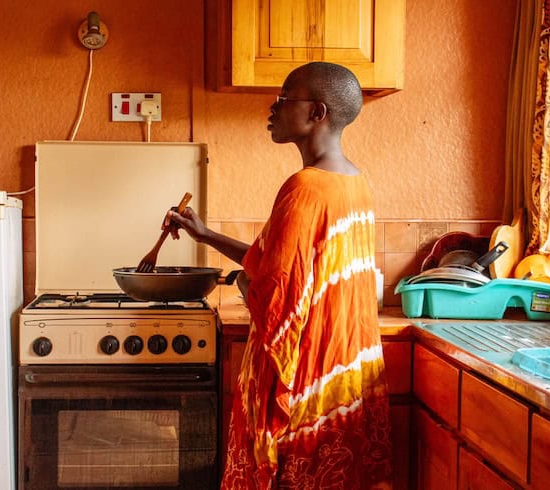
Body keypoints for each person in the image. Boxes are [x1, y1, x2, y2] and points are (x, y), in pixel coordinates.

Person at [166, 61, 392, 489]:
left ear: (317, 113)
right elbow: (278, 262)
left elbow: (277, 292)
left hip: (306, 376)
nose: (272, 108)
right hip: (343, 372)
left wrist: (243, 285)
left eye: (284, 99)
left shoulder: (305, 187)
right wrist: (205, 234)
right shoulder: (353, 181)